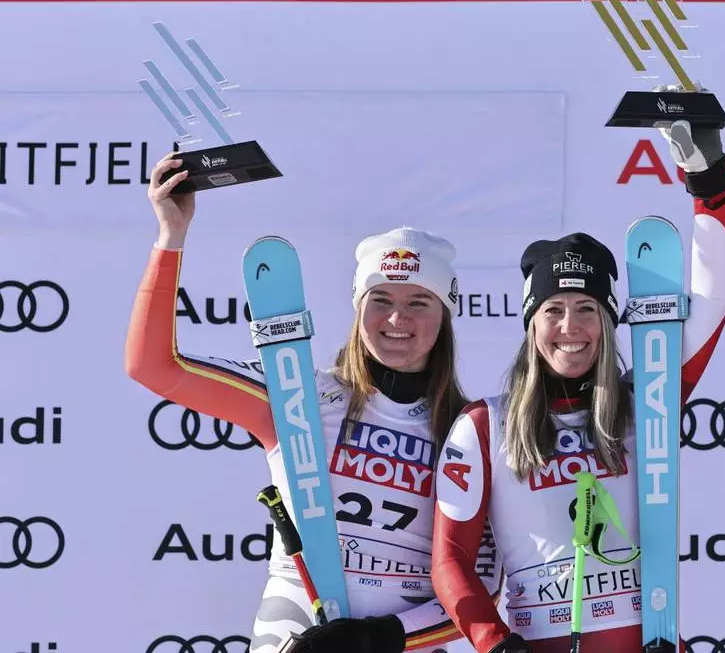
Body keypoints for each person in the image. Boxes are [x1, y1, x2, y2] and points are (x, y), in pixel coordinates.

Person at [125, 151, 501, 653]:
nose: (397, 319)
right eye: (381, 300)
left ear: (445, 314)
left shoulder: (470, 431)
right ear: (357, 308)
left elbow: (482, 585)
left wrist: (379, 638)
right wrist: (171, 235)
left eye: (418, 302)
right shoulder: (297, 394)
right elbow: (155, 367)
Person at [428, 115, 725, 652]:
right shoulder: (484, 425)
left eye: (587, 309)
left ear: (608, 321)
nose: (570, 328)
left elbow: (714, 302)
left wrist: (708, 185)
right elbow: (450, 561)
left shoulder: (649, 399)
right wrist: (494, 644)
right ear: (531, 326)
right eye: (553, 310)